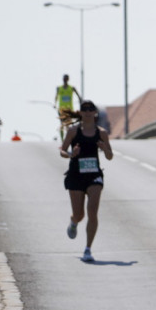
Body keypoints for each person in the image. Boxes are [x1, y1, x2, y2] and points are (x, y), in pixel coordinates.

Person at [59, 100, 112, 263]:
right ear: (80, 112)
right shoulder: (73, 131)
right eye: (85, 109)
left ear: (95, 112)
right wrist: (71, 154)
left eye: (91, 109)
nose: (88, 112)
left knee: (92, 211)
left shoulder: (101, 132)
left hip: (94, 175)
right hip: (76, 175)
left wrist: (104, 149)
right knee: (79, 214)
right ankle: (73, 222)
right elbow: (62, 150)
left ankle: (88, 249)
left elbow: (110, 156)